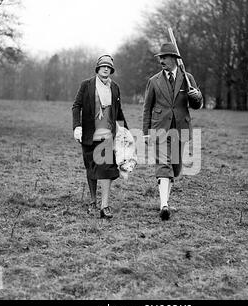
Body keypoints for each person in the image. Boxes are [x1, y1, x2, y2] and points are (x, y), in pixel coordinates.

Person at [142, 42, 203, 221]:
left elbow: (197, 104)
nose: (161, 60)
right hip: (160, 128)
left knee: (175, 169)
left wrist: (196, 97)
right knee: (163, 166)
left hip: (181, 128)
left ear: (175, 59)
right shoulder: (153, 81)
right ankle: (164, 205)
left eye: (165, 57)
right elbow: (147, 108)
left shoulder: (187, 77)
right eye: (160, 57)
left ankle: (165, 199)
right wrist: (146, 132)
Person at [72, 55, 128, 219]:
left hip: (107, 134)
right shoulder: (86, 85)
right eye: (103, 66)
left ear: (111, 70)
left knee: (105, 168)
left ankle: (105, 206)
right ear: (97, 69)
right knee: (91, 168)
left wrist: (125, 129)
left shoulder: (115, 87)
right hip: (89, 133)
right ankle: (92, 200)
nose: (105, 69)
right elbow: (76, 106)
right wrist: (77, 126)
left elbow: (118, 110)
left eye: (108, 67)